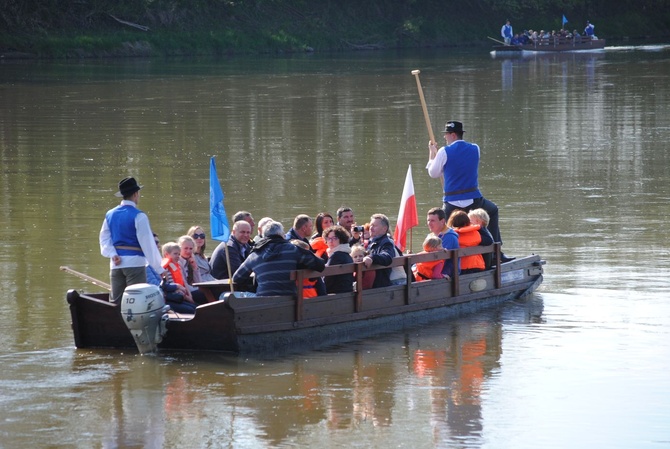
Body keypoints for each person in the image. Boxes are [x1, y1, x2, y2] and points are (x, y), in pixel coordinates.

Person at [426, 120, 514, 263]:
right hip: (474, 201)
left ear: (453, 135)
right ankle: (497, 252)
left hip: (452, 203)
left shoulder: (444, 151)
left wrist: (432, 154)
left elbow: (434, 173)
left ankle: (438, 258)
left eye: (446, 134)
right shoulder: (475, 148)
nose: (445, 137)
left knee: (443, 226)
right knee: (492, 211)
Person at [99, 177, 165, 304]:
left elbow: (104, 238)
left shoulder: (110, 214)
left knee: (116, 302)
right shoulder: (139, 215)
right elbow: (148, 245)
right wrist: (159, 269)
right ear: (136, 194)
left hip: (116, 264)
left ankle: (115, 323)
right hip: (135, 264)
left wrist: (113, 254)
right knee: (136, 302)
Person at [233, 221, 326, 297]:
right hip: (289, 300)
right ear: (282, 234)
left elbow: (237, 278)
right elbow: (320, 265)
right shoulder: (293, 249)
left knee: (224, 295)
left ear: (264, 236)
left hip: (263, 302)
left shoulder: (254, 254)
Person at [150, 237, 196, 313]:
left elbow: (183, 282)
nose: (178, 256)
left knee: (195, 307)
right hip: (170, 297)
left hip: (180, 294)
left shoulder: (176, 265)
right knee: (192, 309)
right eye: (175, 254)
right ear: (166, 254)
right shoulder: (164, 268)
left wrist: (189, 296)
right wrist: (184, 294)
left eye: (178, 254)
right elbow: (165, 285)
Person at [362, 214, 395, 288]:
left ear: (384, 229)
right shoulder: (371, 241)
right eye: (371, 225)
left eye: (374, 226)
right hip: (369, 283)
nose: (371, 228)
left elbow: (387, 257)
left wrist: (372, 257)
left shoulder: (386, 243)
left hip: (379, 286)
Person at [448, 210, 485, 275]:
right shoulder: (476, 233)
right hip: (476, 265)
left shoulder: (452, 236)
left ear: (452, 223)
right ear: (468, 222)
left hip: (459, 268)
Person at [426, 206, 460, 278]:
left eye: (432, 221)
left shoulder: (449, 236)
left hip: (445, 273)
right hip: (432, 270)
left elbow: (441, 259)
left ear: (442, 221)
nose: (429, 223)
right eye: (428, 220)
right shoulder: (431, 236)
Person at [323, 225, 354, 294]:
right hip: (347, 293)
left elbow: (327, 279)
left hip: (336, 295)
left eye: (335, 238)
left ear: (341, 239)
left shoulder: (336, 255)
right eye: (328, 238)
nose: (330, 241)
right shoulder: (347, 254)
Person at [177, 235, 208, 304]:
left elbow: (199, 283)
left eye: (191, 249)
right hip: (183, 292)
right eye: (186, 248)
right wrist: (198, 289)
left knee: (208, 291)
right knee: (203, 294)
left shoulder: (191, 260)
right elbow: (184, 283)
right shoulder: (178, 262)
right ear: (179, 249)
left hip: (191, 290)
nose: (188, 251)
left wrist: (195, 268)